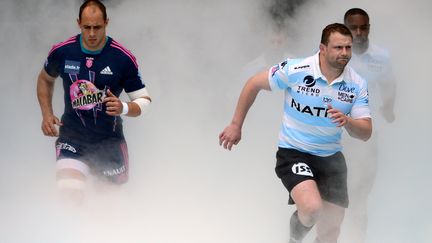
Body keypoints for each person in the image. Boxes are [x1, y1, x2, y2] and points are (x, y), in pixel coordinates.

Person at [219, 23, 372, 243]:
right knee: (311, 209)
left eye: (348, 48)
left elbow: (366, 132)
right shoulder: (296, 69)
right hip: (294, 152)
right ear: (323, 48)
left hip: (331, 158)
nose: (345, 53)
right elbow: (253, 83)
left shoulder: (356, 83)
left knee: (331, 231)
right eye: (338, 47)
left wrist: (348, 121)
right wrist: (235, 124)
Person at [36, 0, 151, 204]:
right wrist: (46, 113)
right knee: (69, 194)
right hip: (72, 137)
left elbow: (144, 100)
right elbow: (45, 79)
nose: (91, 34)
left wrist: (124, 107)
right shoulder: (63, 52)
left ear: (107, 22)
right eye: (86, 27)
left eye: (97, 27)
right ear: (78, 23)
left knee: (108, 207)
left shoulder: (122, 58)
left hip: (109, 142)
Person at [340, 8, 396, 243]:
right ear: (346, 30)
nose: (360, 32)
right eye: (354, 28)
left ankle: (357, 236)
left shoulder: (381, 56)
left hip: (368, 135)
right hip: (336, 136)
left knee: (362, 192)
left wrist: (389, 107)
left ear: (369, 28)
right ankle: (333, 233)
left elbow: (389, 83)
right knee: (337, 191)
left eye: (364, 27)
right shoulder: (335, 54)